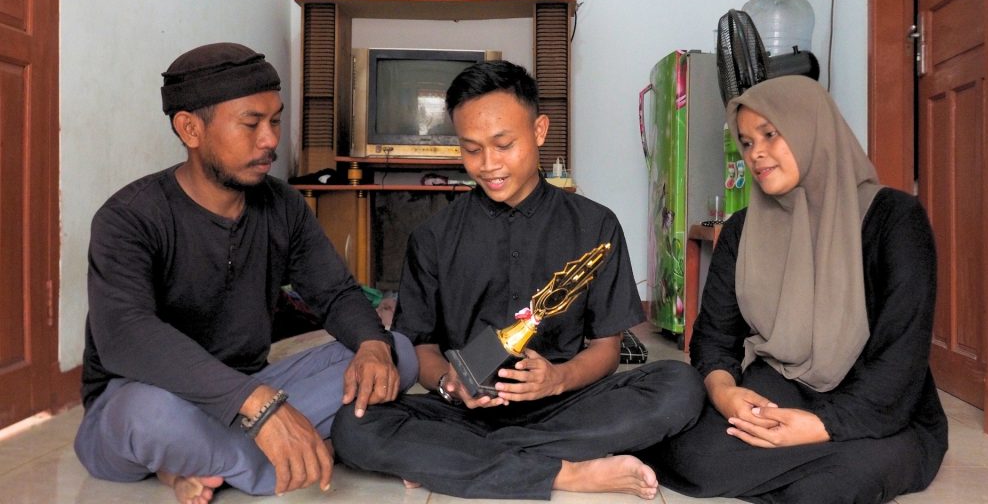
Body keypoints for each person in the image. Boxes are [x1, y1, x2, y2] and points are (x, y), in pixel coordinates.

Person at [332, 60, 705, 500]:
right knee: (353, 425)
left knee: (679, 386)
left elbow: (606, 350)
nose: (489, 165)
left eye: (503, 144)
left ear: (540, 131)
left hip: (566, 404)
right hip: (465, 412)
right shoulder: (432, 237)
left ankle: (454, 461)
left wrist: (557, 380)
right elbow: (422, 348)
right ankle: (566, 472)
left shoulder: (595, 226)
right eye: (471, 149)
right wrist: (450, 385)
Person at [74, 42, 419, 504]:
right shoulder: (130, 218)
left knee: (397, 352)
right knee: (148, 414)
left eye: (274, 121)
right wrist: (260, 407)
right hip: (152, 399)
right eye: (251, 124)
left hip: (252, 388)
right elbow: (125, 335)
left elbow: (336, 294)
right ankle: (298, 458)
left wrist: (373, 347)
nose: (271, 140)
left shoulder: (282, 206)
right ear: (190, 128)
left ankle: (198, 466)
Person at [637, 76, 948, 503]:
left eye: (770, 134)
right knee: (694, 456)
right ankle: (801, 467)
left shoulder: (894, 220)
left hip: (879, 405)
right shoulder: (742, 229)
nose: (756, 153)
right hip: (780, 384)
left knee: (835, 486)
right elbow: (715, 334)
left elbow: (901, 356)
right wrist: (724, 391)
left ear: (812, 130)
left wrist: (819, 427)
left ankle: (818, 462)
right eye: (746, 143)